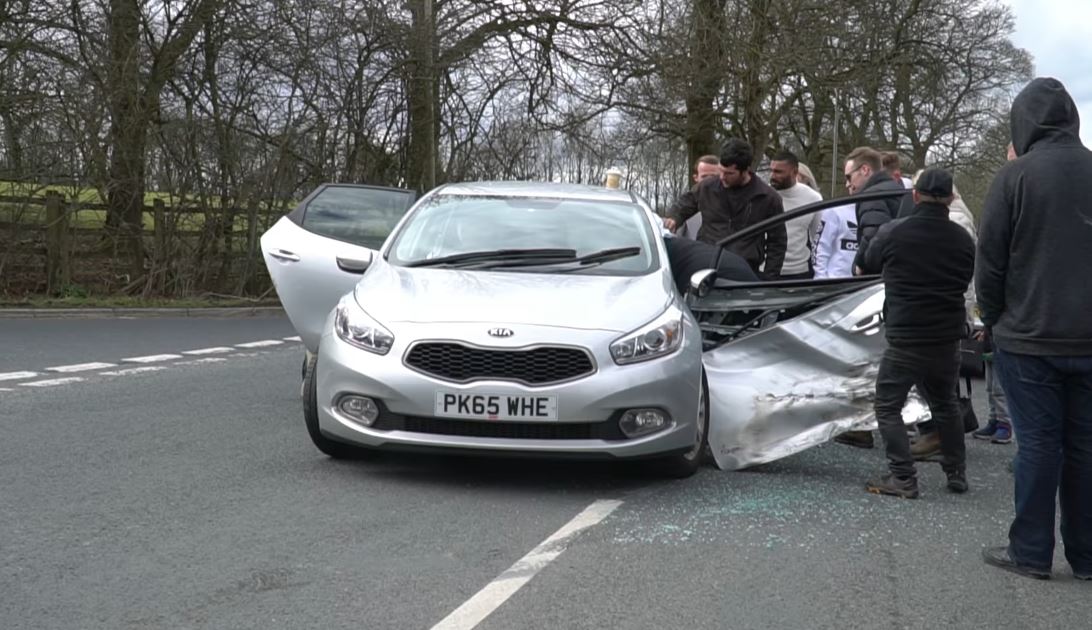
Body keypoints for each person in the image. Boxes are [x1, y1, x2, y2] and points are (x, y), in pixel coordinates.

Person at [976, 77, 1092, 581]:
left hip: (1028, 335)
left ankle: (1031, 551)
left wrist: (992, 317)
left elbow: (991, 260)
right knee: (1086, 447)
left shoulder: (1015, 176)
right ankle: (1087, 556)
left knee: (1040, 446)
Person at [855, 168, 975, 498]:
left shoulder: (894, 233)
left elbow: (866, 262)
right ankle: (956, 471)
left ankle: (903, 477)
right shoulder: (963, 239)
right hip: (946, 337)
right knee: (945, 404)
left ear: (915, 195)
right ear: (950, 198)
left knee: (888, 406)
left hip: (906, 336)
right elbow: (966, 278)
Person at [664, 139, 787, 278]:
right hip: (705, 266)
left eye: (729, 173)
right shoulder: (707, 187)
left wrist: (769, 279)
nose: (722, 177)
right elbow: (685, 203)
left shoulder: (767, 197)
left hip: (745, 271)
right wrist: (673, 218)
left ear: (745, 171)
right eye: (721, 171)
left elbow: (777, 243)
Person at [843, 146, 905, 275]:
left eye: (849, 177)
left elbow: (873, 235)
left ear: (865, 170)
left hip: (881, 276)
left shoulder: (871, 197)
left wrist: (859, 265)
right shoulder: (898, 189)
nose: (847, 184)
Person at [768, 150, 822, 280]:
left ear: (794, 172)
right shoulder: (764, 196)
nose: (772, 176)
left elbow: (818, 239)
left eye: (779, 172)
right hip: (766, 269)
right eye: (772, 170)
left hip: (799, 271)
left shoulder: (812, 198)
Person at [676, 155, 720, 240]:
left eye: (714, 177)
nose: (709, 181)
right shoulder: (684, 209)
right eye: (705, 177)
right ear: (696, 178)